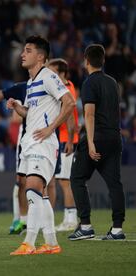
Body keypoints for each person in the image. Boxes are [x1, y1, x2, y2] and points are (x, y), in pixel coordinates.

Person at [7, 36, 74, 255]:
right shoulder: (31, 82)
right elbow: (30, 114)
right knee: (40, 194)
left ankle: (29, 242)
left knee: (33, 189)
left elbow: (69, 102)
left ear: (40, 56)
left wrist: (51, 127)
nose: (22, 54)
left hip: (43, 143)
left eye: (27, 50)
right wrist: (17, 107)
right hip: (29, 143)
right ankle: (52, 243)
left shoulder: (48, 76)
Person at [69, 44, 126, 241]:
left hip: (98, 137)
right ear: (103, 60)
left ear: (86, 60)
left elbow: (90, 114)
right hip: (115, 138)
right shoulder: (112, 82)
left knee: (77, 178)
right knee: (115, 184)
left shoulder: (89, 83)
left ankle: (85, 226)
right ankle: (117, 229)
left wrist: (91, 143)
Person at [47, 58, 79, 232]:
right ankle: (69, 218)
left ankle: (71, 219)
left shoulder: (65, 90)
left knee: (65, 181)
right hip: (65, 138)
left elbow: (71, 117)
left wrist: (70, 140)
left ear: (62, 74)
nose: (51, 76)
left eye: (54, 72)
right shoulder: (69, 86)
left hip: (67, 140)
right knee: (63, 180)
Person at [0, 83, 29, 235]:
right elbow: (15, 120)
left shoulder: (43, 87)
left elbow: (15, 119)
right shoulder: (23, 89)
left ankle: (27, 220)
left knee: (38, 184)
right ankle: (20, 220)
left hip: (36, 138)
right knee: (20, 183)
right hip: (25, 141)